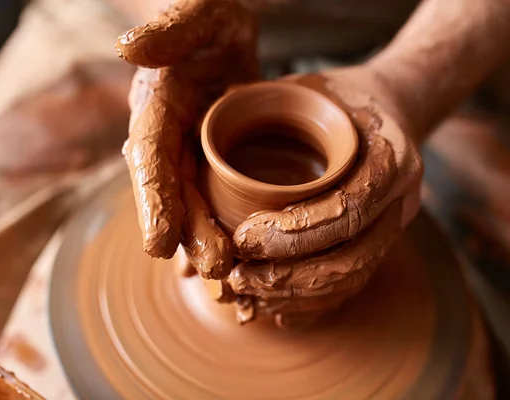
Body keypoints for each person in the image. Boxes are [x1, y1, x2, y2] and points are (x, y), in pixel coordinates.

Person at [115, 0, 510, 321]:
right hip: (201, 43)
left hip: (423, 39)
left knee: (486, 284)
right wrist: (172, 22)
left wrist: (409, 83)